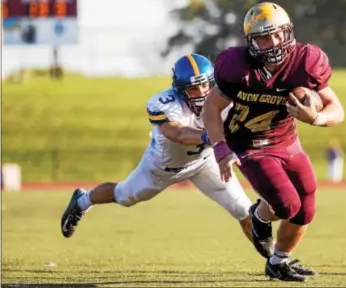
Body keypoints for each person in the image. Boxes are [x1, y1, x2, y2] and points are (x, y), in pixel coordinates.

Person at [60, 54, 263, 257]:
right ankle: (82, 201)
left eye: (205, 86)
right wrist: (213, 136)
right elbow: (178, 133)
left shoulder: (227, 98)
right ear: (180, 90)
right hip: (161, 168)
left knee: (243, 209)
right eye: (193, 89)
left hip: (204, 162)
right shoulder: (166, 103)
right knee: (123, 196)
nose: (201, 93)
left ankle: (273, 260)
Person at [202, 2, 345, 282]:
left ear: (289, 31)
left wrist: (315, 116)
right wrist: (221, 147)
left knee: (306, 208)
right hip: (250, 144)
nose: (275, 42)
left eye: (279, 33)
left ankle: (278, 262)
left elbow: (337, 109)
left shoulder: (306, 61)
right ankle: (259, 215)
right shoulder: (237, 67)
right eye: (265, 36)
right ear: (251, 41)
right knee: (287, 206)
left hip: (286, 141)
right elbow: (210, 108)